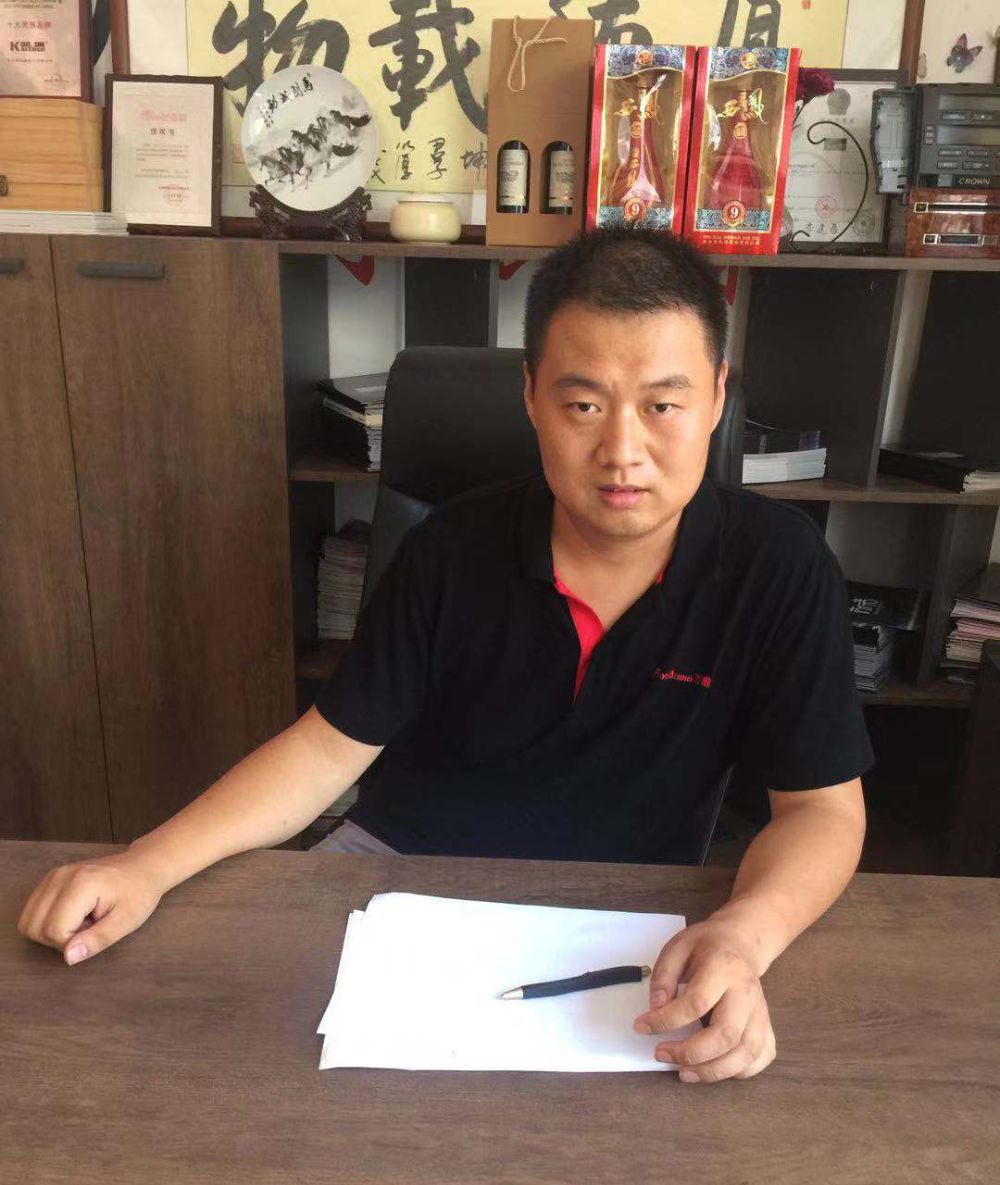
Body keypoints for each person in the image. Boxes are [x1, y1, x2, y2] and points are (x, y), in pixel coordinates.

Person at [18, 228, 871, 1085]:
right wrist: (146, 864)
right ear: (531, 395)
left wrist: (745, 935)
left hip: (621, 909)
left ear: (717, 396)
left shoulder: (777, 567)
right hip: (399, 875)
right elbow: (325, 750)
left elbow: (821, 811)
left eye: (662, 405)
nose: (622, 450)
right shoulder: (452, 548)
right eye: (583, 405)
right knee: (217, 1059)